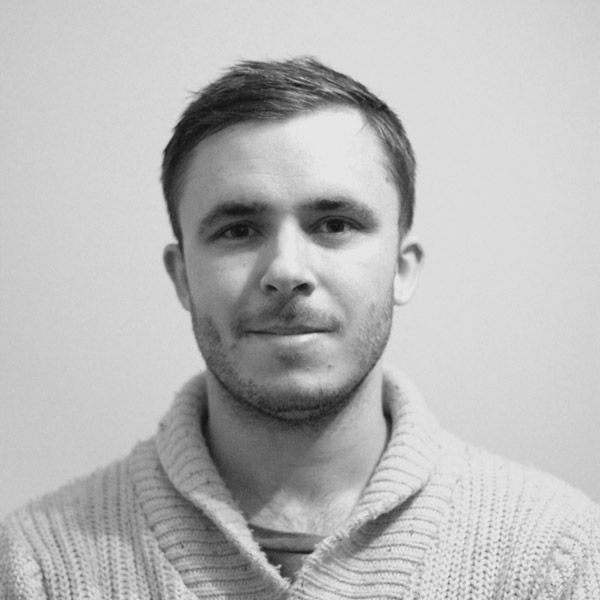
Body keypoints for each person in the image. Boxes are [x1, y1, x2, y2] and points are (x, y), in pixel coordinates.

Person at [1, 57, 598, 599]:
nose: (286, 271)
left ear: (401, 268)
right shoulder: (36, 568)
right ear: (183, 277)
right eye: (238, 230)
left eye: (334, 224)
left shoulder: (555, 554)